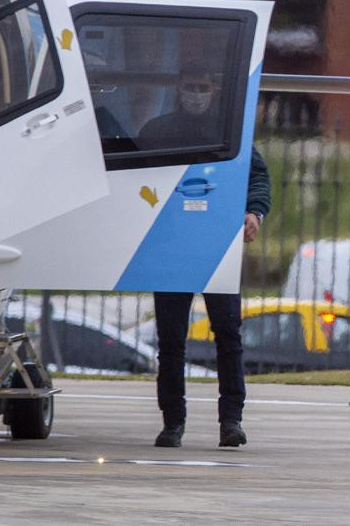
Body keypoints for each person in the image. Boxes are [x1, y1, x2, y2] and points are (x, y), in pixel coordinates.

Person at [141, 61, 272, 449]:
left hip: (218, 248)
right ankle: (172, 423)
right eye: (190, 86)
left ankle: (231, 420)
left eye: (203, 86)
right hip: (172, 249)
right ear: (178, 89)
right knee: (171, 342)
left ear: (215, 91)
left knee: (229, 336)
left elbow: (258, 177)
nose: (196, 93)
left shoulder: (231, 134)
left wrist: (254, 211)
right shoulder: (158, 132)